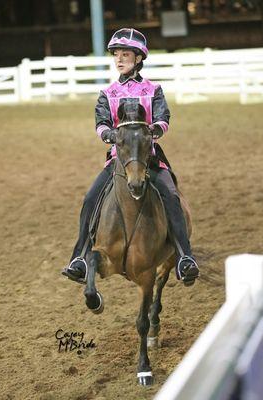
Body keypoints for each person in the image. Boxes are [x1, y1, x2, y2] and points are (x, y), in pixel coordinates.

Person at [62, 28, 199, 285]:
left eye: (125, 54)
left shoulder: (154, 90)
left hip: (149, 158)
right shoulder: (107, 94)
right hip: (119, 160)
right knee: (90, 198)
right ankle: (79, 257)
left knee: (171, 196)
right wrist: (109, 136)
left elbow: (163, 119)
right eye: (116, 55)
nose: (119, 59)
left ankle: (184, 257)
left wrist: (156, 129)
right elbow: (101, 123)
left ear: (138, 59)